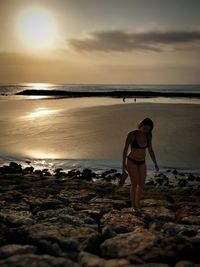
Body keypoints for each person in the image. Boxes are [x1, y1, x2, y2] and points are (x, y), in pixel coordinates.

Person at [121, 118, 159, 214]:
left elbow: (150, 150)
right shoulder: (132, 134)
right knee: (134, 183)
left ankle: (138, 204)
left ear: (150, 129)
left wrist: (155, 163)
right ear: (140, 125)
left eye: (148, 128)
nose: (146, 129)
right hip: (131, 161)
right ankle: (133, 205)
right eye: (144, 126)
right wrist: (123, 166)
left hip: (142, 162)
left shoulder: (149, 136)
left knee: (141, 184)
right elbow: (125, 149)